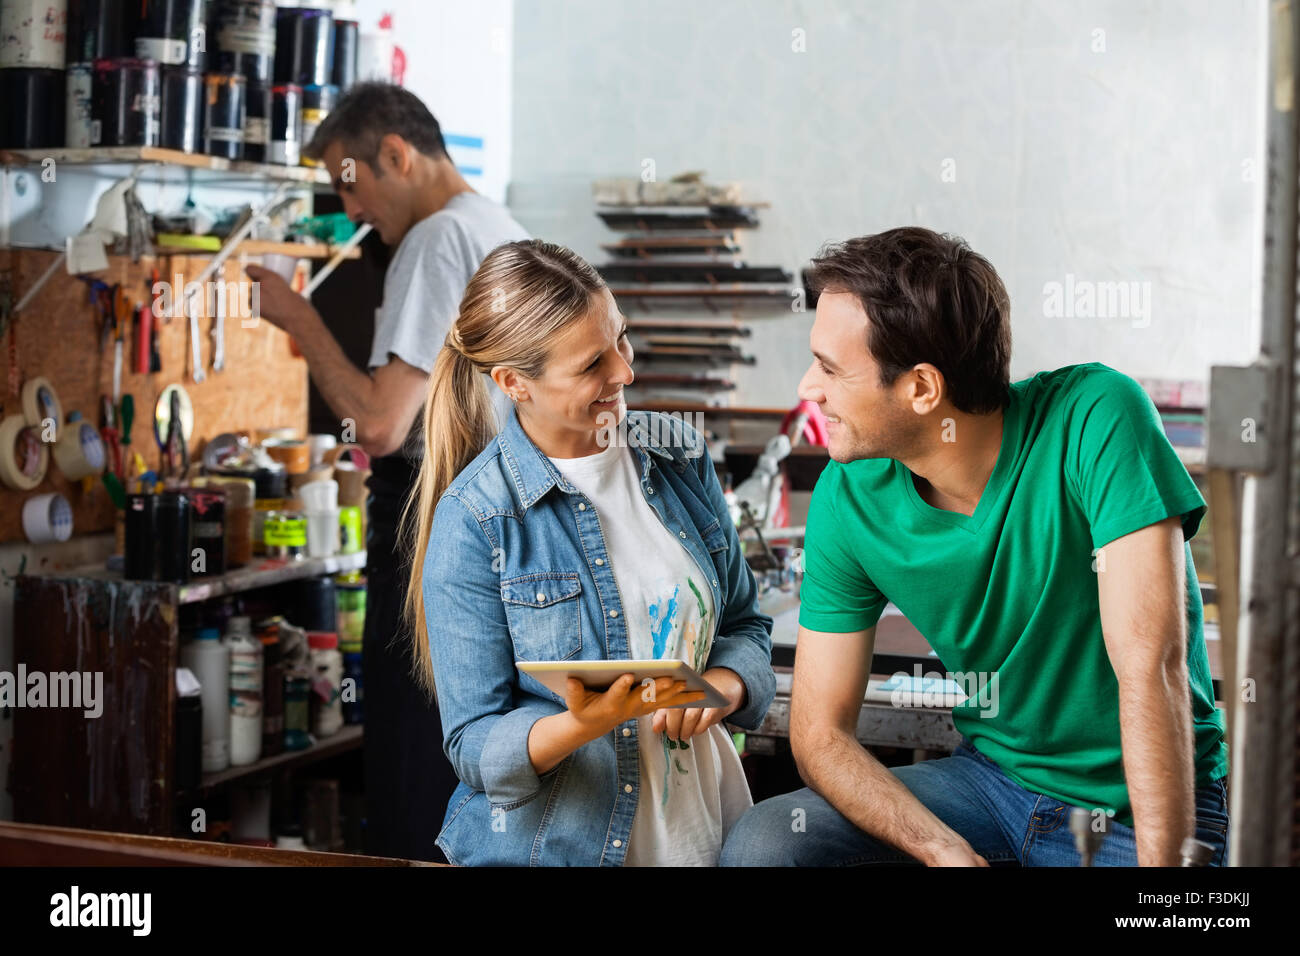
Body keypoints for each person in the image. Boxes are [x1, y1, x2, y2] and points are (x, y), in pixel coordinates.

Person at [721, 227, 1229, 867]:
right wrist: (940, 850)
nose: (806, 388)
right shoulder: (849, 496)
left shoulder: (1097, 416)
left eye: (828, 367)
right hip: (990, 787)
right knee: (768, 846)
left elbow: (1150, 668)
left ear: (923, 389)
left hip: (1138, 807)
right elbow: (820, 734)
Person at [405, 239, 776, 866]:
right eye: (591, 365)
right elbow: (472, 744)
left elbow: (745, 625)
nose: (624, 372)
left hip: (705, 834)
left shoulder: (677, 455)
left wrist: (723, 686)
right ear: (513, 382)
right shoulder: (476, 518)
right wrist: (586, 723)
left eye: (621, 339)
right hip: (563, 848)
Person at [247, 82, 529, 861]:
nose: (353, 209)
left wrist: (299, 318)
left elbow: (379, 424)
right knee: (468, 760)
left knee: (412, 768)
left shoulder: (437, 239)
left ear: (397, 155)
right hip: (494, 524)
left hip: (430, 523)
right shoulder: (500, 227)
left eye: (351, 181)